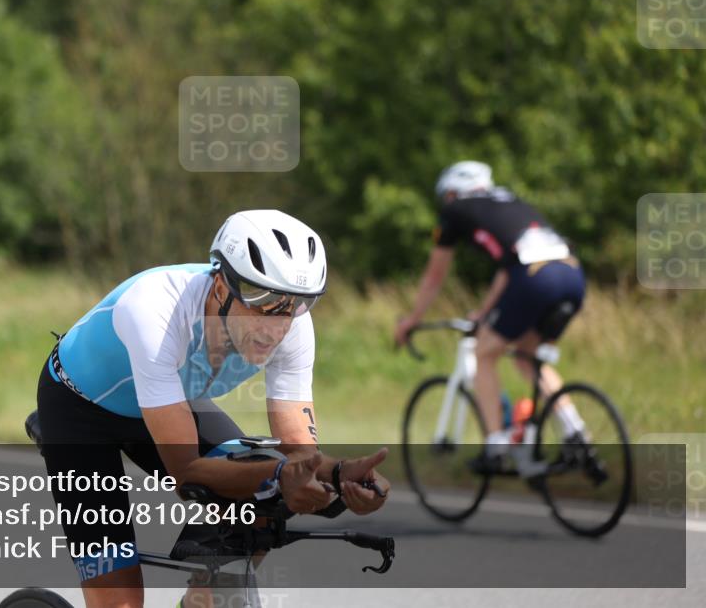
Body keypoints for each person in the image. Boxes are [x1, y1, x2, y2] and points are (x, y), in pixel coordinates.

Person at [35, 209, 390, 608]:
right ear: (221, 285)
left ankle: (203, 598)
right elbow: (185, 472)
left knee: (266, 498)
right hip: (80, 412)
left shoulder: (295, 326)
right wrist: (279, 472)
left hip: (171, 402)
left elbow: (299, 452)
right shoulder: (156, 310)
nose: (278, 324)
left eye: (297, 304)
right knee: (120, 601)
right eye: (264, 301)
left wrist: (339, 474)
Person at [394, 161, 588, 472]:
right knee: (527, 357)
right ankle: (575, 432)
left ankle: (495, 447)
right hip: (572, 273)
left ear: (453, 193)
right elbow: (509, 267)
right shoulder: (510, 200)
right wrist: (484, 313)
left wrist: (412, 319)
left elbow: (434, 276)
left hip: (534, 276)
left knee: (484, 354)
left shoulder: (456, 209)